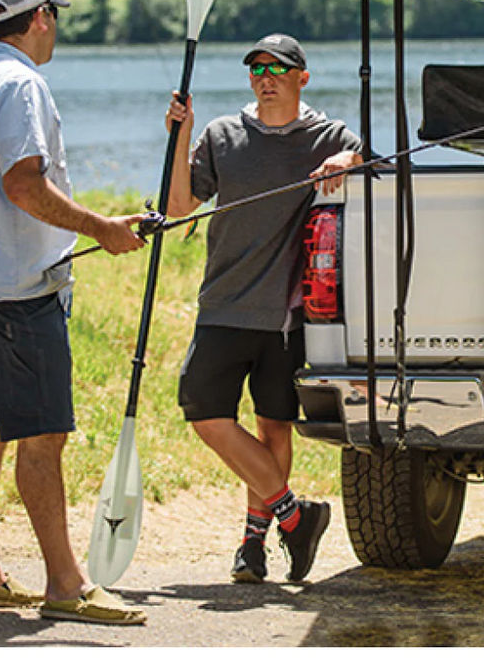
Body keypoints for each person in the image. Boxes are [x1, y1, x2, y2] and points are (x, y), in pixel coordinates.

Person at [0, 0, 147, 625]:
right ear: (41, 17)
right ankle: (66, 583)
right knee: (44, 434)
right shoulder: (22, 83)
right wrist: (102, 228)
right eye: (55, 13)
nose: (56, 25)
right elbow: (22, 185)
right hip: (18, 292)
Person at [165, 33, 363, 584]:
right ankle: (296, 516)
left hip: (284, 317)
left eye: (278, 68)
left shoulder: (327, 135)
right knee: (204, 410)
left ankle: (253, 545)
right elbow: (180, 207)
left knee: (273, 426)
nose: (265, 77)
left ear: (303, 76)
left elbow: (368, 159)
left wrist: (350, 158)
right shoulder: (223, 135)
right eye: (256, 69)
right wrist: (179, 138)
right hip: (224, 302)